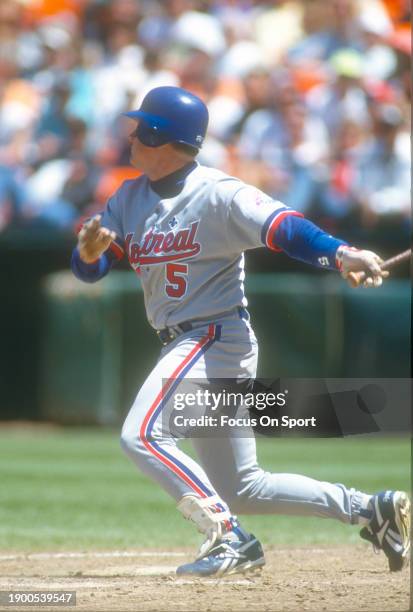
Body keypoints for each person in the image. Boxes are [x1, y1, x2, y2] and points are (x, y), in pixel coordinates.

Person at [71, 86, 410, 577]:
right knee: (242, 487)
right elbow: (94, 267)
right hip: (191, 342)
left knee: (142, 435)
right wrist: (86, 254)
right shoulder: (129, 197)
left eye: (141, 128)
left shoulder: (218, 191)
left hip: (213, 338)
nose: (131, 135)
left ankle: (229, 538)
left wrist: (341, 254)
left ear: (162, 138)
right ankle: (369, 509)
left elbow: (285, 227)